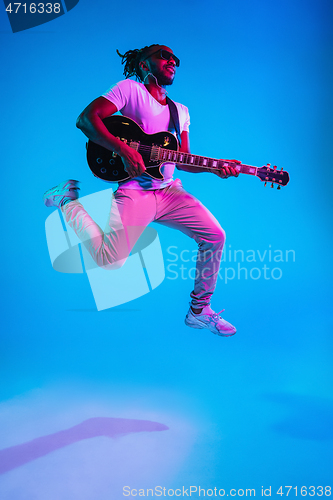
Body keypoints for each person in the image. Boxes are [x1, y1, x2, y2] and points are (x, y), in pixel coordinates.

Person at [43, 44, 239, 337]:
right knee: (109, 260)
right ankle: (67, 202)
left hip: (170, 191)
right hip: (136, 189)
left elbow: (183, 160)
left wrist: (215, 167)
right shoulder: (128, 90)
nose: (172, 60)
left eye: (175, 58)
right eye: (164, 55)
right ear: (144, 65)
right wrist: (122, 149)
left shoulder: (181, 112)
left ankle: (200, 311)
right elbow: (86, 120)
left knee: (216, 236)